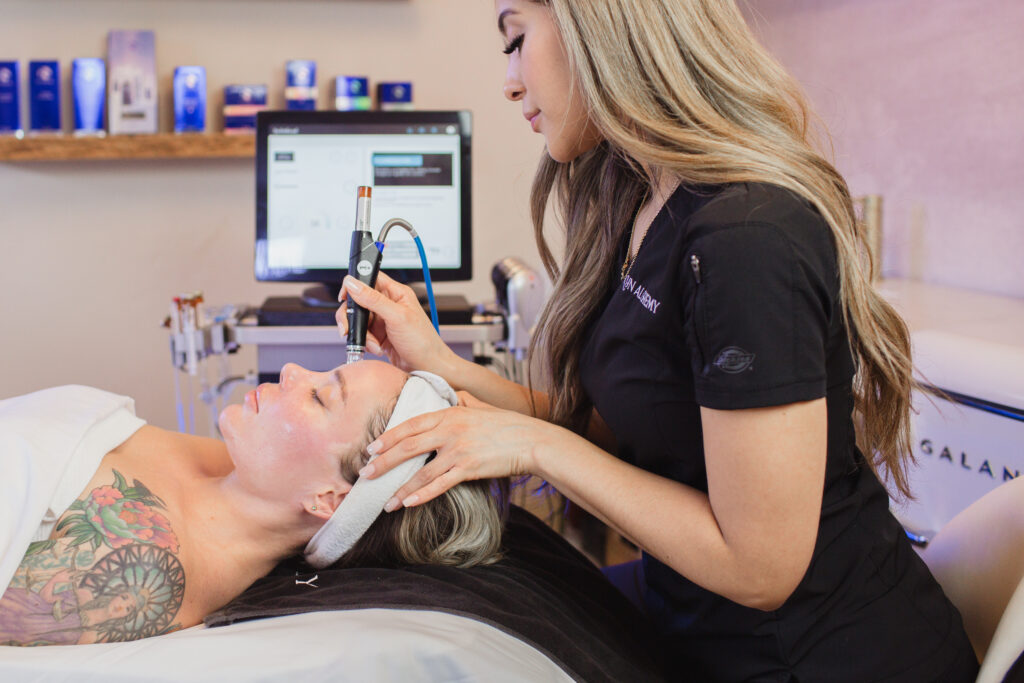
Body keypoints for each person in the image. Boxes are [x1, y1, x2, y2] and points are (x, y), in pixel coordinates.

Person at [336, 1, 979, 680]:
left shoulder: (745, 238)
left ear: (603, 23)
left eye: (516, 40)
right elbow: (623, 438)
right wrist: (436, 359)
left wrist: (533, 445)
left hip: (815, 654)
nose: (510, 81)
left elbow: (760, 567)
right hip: (691, 616)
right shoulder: (648, 198)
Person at [0, 361, 504, 647]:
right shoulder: (223, 470)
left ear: (327, 499)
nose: (291, 371)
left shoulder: (143, 562)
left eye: (321, 397)